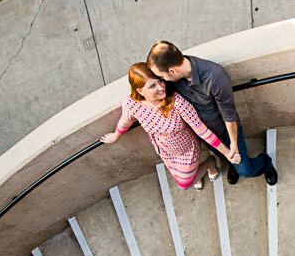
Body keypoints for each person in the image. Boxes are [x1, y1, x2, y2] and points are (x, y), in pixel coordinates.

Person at [147, 41, 278, 186]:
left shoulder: (214, 76)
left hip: (224, 131)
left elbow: (229, 115)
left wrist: (233, 144)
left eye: (162, 77)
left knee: (245, 170)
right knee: (222, 155)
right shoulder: (172, 79)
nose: (162, 82)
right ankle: (232, 164)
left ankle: (266, 163)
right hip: (203, 133)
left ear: (172, 71)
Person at [101, 63, 240, 190]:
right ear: (140, 91)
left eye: (160, 81)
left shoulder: (177, 102)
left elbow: (202, 130)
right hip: (164, 151)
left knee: (185, 184)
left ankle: (209, 164)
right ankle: (200, 171)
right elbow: (125, 121)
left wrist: (227, 153)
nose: (161, 87)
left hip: (186, 149)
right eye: (152, 86)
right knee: (181, 176)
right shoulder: (132, 104)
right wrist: (116, 135)